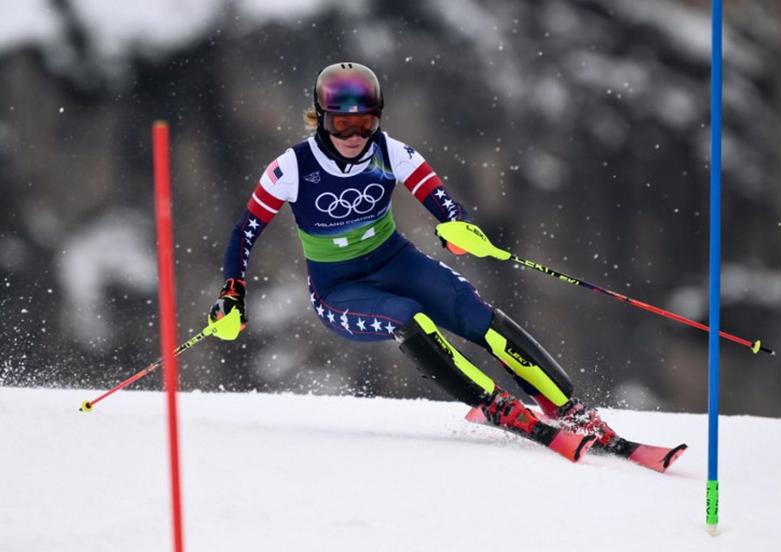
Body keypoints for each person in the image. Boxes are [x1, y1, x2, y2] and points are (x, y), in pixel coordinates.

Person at [209, 61, 617, 453]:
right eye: (341, 123)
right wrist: (232, 294)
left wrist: (459, 228)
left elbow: (444, 204)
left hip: (395, 261)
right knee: (408, 317)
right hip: (339, 289)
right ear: (320, 119)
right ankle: (495, 404)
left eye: (365, 122)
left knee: (473, 312)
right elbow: (245, 230)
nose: (355, 135)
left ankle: (566, 407)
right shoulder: (292, 167)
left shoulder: (393, 152)